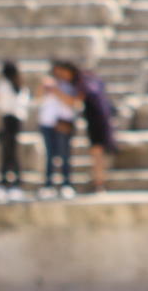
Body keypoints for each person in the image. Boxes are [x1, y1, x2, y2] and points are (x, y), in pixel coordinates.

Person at [36, 61, 80, 199]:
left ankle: (66, 184)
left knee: (65, 155)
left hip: (63, 124)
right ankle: (48, 185)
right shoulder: (48, 84)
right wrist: (44, 87)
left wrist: (56, 91)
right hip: (47, 124)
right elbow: (37, 98)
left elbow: (73, 102)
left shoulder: (70, 85)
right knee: (50, 155)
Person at [0, 61, 29, 201]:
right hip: (16, 121)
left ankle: (7, 184)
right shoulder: (20, 86)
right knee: (11, 154)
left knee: (8, 154)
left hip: (8, 121)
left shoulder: (3, 85)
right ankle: (14, 183)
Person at [77, 65, 119, 193]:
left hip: (96, 126)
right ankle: (99, 183)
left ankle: (99, 184)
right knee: (99, 157)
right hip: (102, 125)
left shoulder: (86, 88)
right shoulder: (98, 87)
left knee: (97, 157)